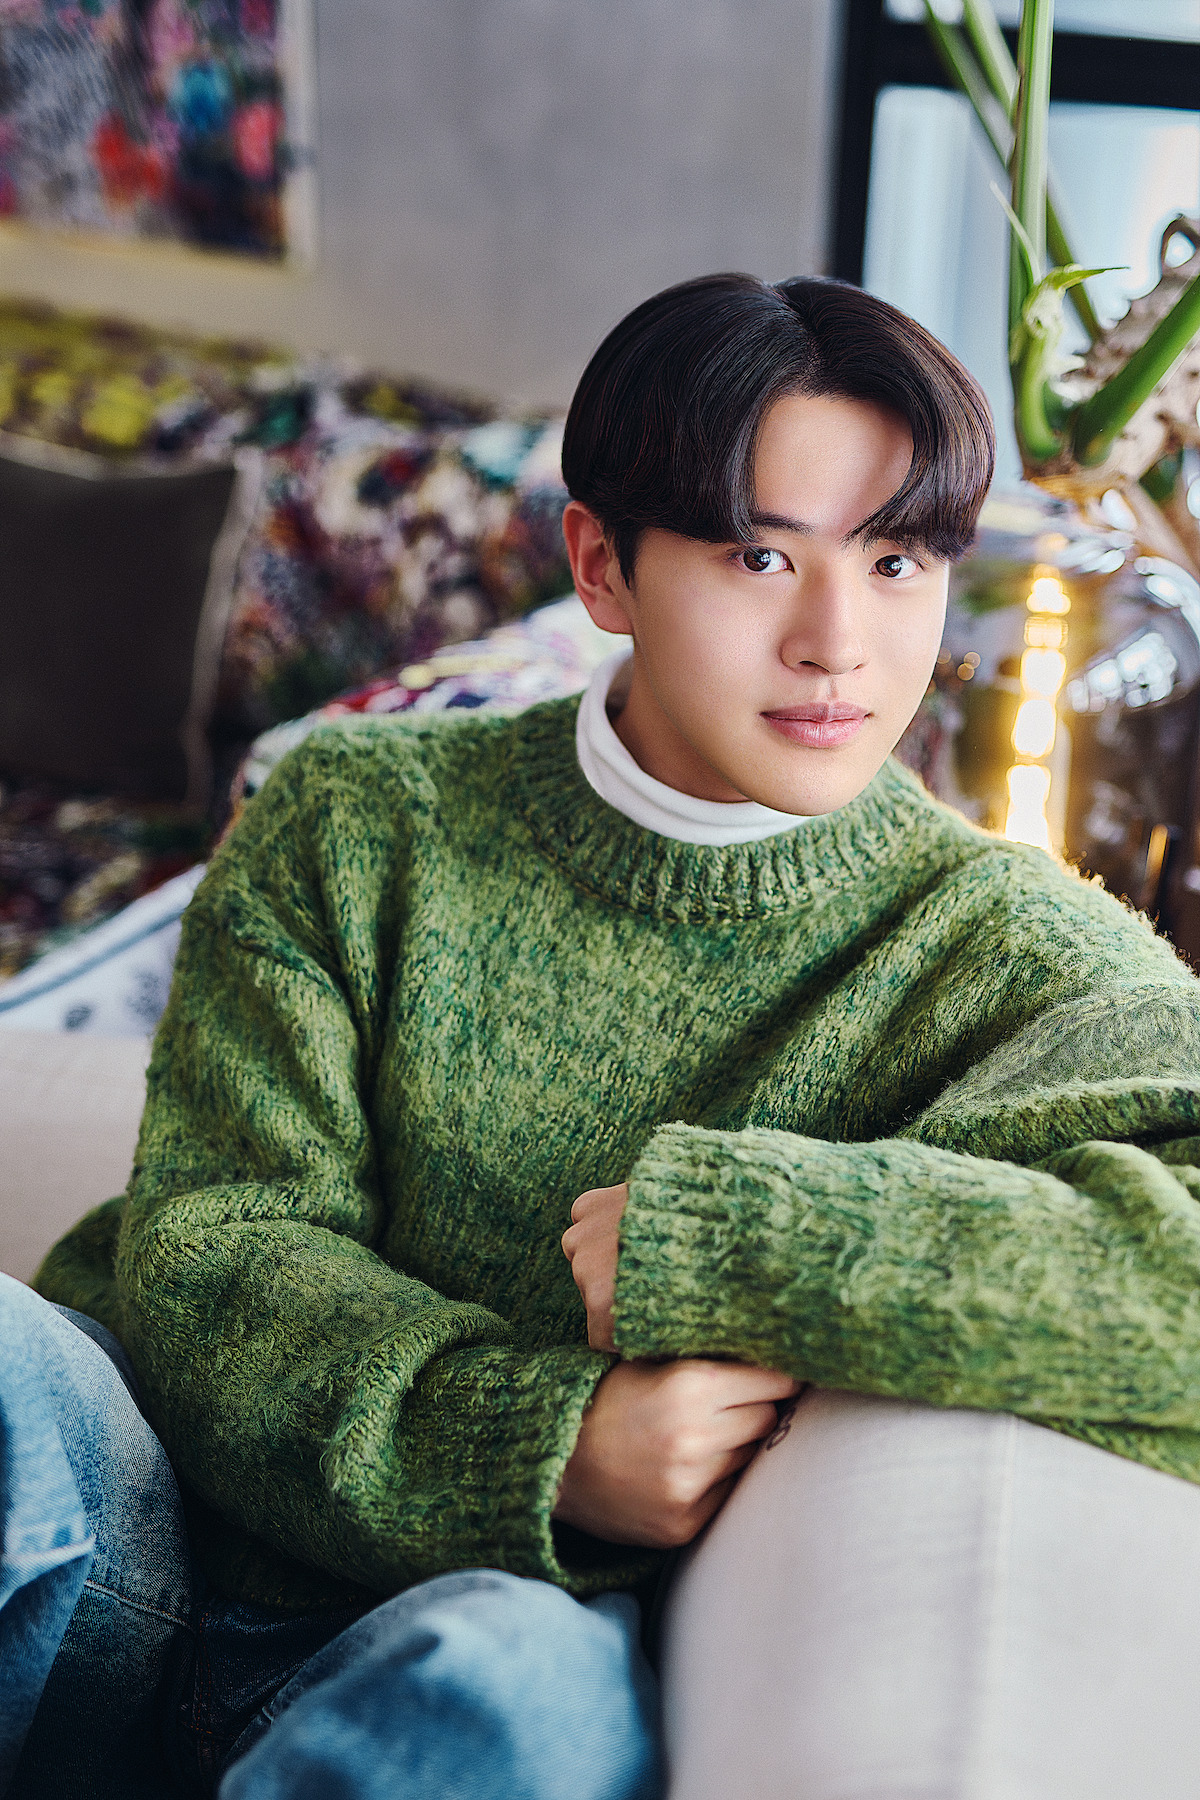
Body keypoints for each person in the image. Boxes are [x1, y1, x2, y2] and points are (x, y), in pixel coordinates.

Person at [9, 271, 1200, 1799]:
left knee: (513, 1689)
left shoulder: (1004, 950)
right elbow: (216, 1246)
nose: (838, 643)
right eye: (760, 554)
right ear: (602, 566)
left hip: (482, 1638)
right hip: (136, 1537)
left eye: (898, 560)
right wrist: (541, 1438)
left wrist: (738, 1235)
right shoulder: (355, 815)